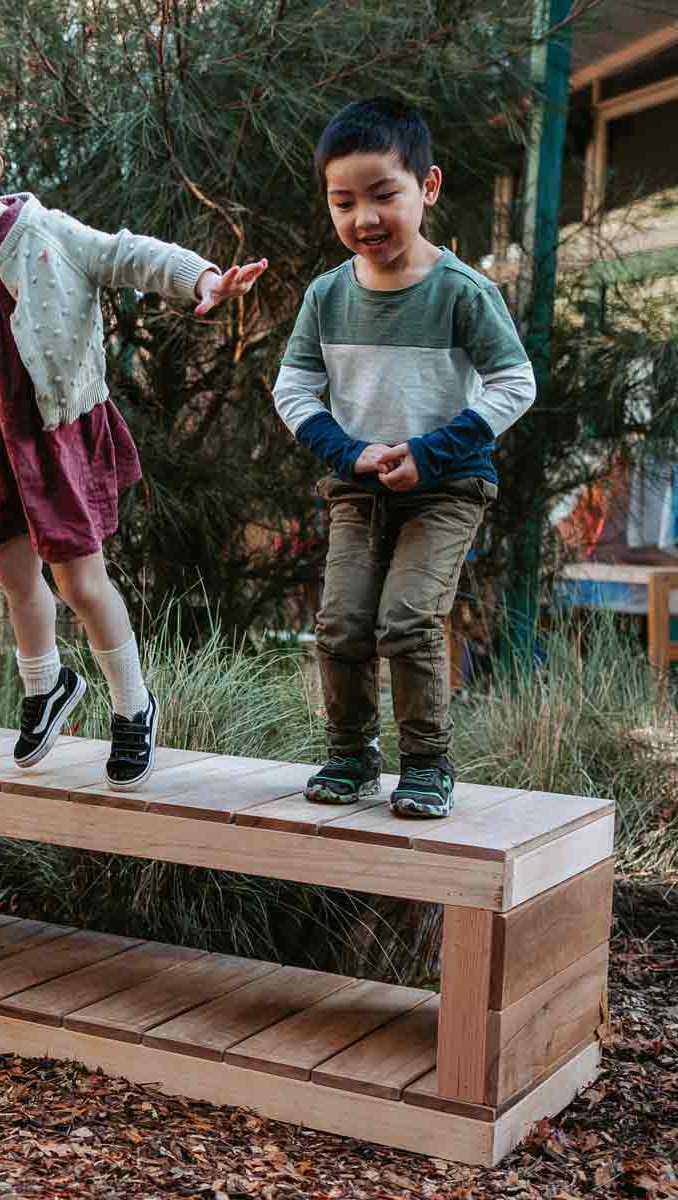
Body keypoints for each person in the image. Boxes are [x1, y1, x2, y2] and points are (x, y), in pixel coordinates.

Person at [0, 86, 266, 790]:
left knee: (79, 580)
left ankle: (133, 704)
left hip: (46, 435)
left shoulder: (44, 235)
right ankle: (46, 688)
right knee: (11, 575)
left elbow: (129, 256)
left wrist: (204, 280)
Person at [271, 97, 535, 817]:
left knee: (409, 619)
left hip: (447, 486)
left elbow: (516, 382)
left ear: (429, 187)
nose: (365, 218)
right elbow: (293, 388)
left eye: (384, 194)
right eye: (344, 202)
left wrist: (432, 451)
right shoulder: (327, 296)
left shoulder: (462, 292)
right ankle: (352, 754)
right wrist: (348, 453)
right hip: (358, 487)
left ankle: (427, 763)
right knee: (344, 623)